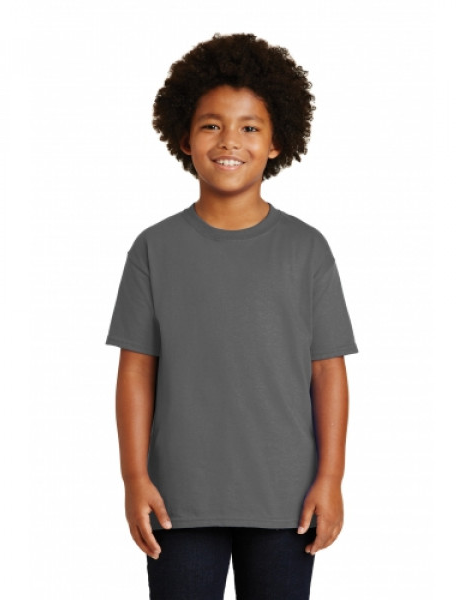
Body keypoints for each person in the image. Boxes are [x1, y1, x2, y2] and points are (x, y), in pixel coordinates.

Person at [105, 33, 359, 600]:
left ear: (276, 141)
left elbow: (327, 371)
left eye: (249, 127)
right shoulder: (154, 249)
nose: (229, 141)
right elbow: (136, 370)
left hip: (287, 501)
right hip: (178, 500)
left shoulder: (307, 249)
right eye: (211, 125)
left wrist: (331, 479)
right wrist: (134, 477)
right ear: (184, 137)